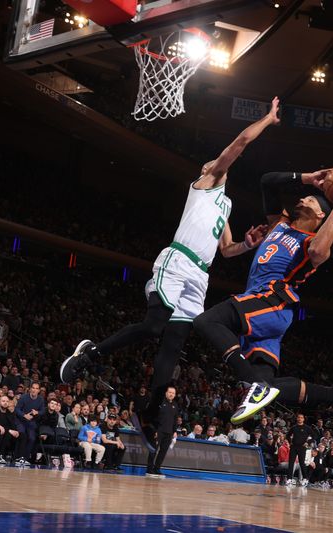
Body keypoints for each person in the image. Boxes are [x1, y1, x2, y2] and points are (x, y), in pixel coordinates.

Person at [60, 99, 283, 417]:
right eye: (211, 165)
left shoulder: (225, 204)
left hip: (201, 274)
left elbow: (227, 249)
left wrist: (247, 244)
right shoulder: (203, 185)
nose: (212, 166)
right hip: (178, 261)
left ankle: (151, 410)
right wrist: (266, 120)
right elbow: (241, 142)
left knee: (175, 342)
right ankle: (90, 354)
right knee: (154, 327)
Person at [192, 171, 333, 425]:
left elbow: (319, 251)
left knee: (206, 322)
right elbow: (266, 181)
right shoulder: (279, 225)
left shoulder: (311, 242)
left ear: (321, 215)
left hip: (271, 301)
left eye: (311, 200)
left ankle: (257, 383)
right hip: (265, 311)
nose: (303, 199)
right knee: (267, 386)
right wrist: (307, 178)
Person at [147, 386, 178, 478]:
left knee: (163, 451)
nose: (171, 394)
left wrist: (175, 431)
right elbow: (152, 418)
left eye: (173, 393)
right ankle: (149, 468)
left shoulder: (175, 405)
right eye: (170, 392)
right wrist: (154, 430)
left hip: (169, 433)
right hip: (159, 431)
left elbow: (175, 419)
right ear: (166, 393)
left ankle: (157, 468)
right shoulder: (160, 402)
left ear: (175, 395)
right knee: (154, 450)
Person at [14, 382, 45, 466]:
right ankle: (18, 457)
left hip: (31, 422)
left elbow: (43, 411)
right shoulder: (24, 397)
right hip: (21, 420)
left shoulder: (41, 399)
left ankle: (25, 458)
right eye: (33, 388)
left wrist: (37, 412)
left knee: (32, 438)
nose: (34, 390)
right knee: (22, 435)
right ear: (30, 389)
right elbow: (16, 409)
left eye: (36, 388)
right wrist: (24, 415)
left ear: (39, 390)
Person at [286, 413, 314, 487]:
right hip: (293, 447)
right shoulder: (294, 427)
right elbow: (288, 435)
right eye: (298, 417)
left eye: (301, 417)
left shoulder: (307, 428)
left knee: (302, 463)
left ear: (303, 419)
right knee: (291, 463)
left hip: (302, 447)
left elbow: (314, 436)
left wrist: (308, 442)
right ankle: (289, 479)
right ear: (297, 418)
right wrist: (290, 442)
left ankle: (305, 479)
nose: (300, 419)